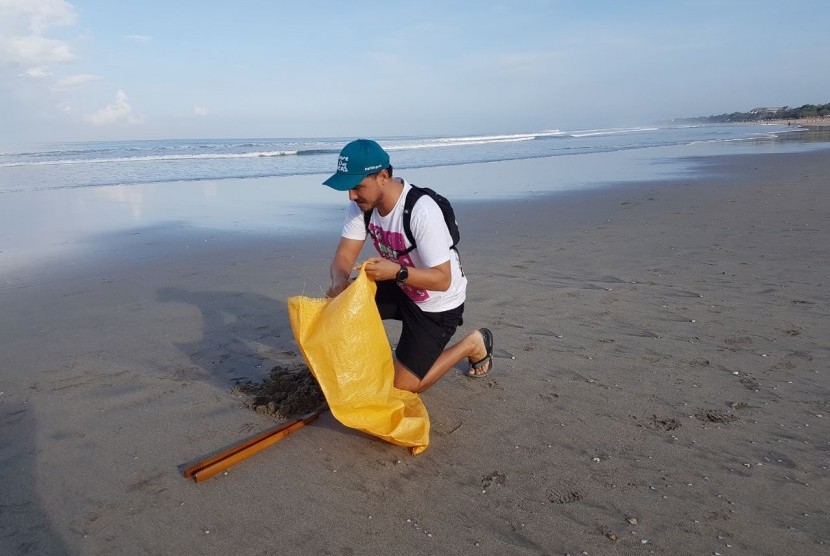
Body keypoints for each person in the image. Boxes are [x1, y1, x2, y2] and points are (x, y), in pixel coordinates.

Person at [323, 139, 493, 394]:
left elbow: (442, 279)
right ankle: (368, 366)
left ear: (382, 176)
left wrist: (397, 272)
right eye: (348, 188)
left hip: (437, 303)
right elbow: (344, 258)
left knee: (401, 388)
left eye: (357, 187)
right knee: (336, 305)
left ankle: (472, 344)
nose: (351, 195)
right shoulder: (362, 207)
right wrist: (339, 282)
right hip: (400, 287)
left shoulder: (420, 210)